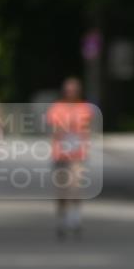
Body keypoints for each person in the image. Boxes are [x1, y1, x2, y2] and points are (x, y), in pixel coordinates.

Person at [46, 77, 94, 238]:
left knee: (76, 186)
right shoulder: (57, 108)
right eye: (68, 90)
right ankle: (62, 218)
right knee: (62, 191)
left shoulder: (85, 108)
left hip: (78, 153)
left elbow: (88, 129)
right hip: (60, 154)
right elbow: (53, 129)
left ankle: (75, 217)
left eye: (74, 90)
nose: (71, 93)